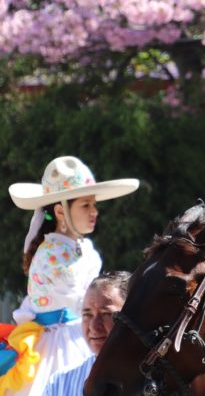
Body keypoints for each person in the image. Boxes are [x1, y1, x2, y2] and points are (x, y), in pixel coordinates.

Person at [0, 157, 138, 395]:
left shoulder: (79, 249)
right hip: (62, 342)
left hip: (75, 332)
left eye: (94, 204)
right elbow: (81, 301)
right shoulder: (53, 254)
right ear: (61, 211)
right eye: (85, 205)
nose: (94, 211)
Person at [42, 271, 129, 396]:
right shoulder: (59, 383)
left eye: (106, 314)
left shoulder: (156, 382)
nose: (94, 326)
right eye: (87, 315)